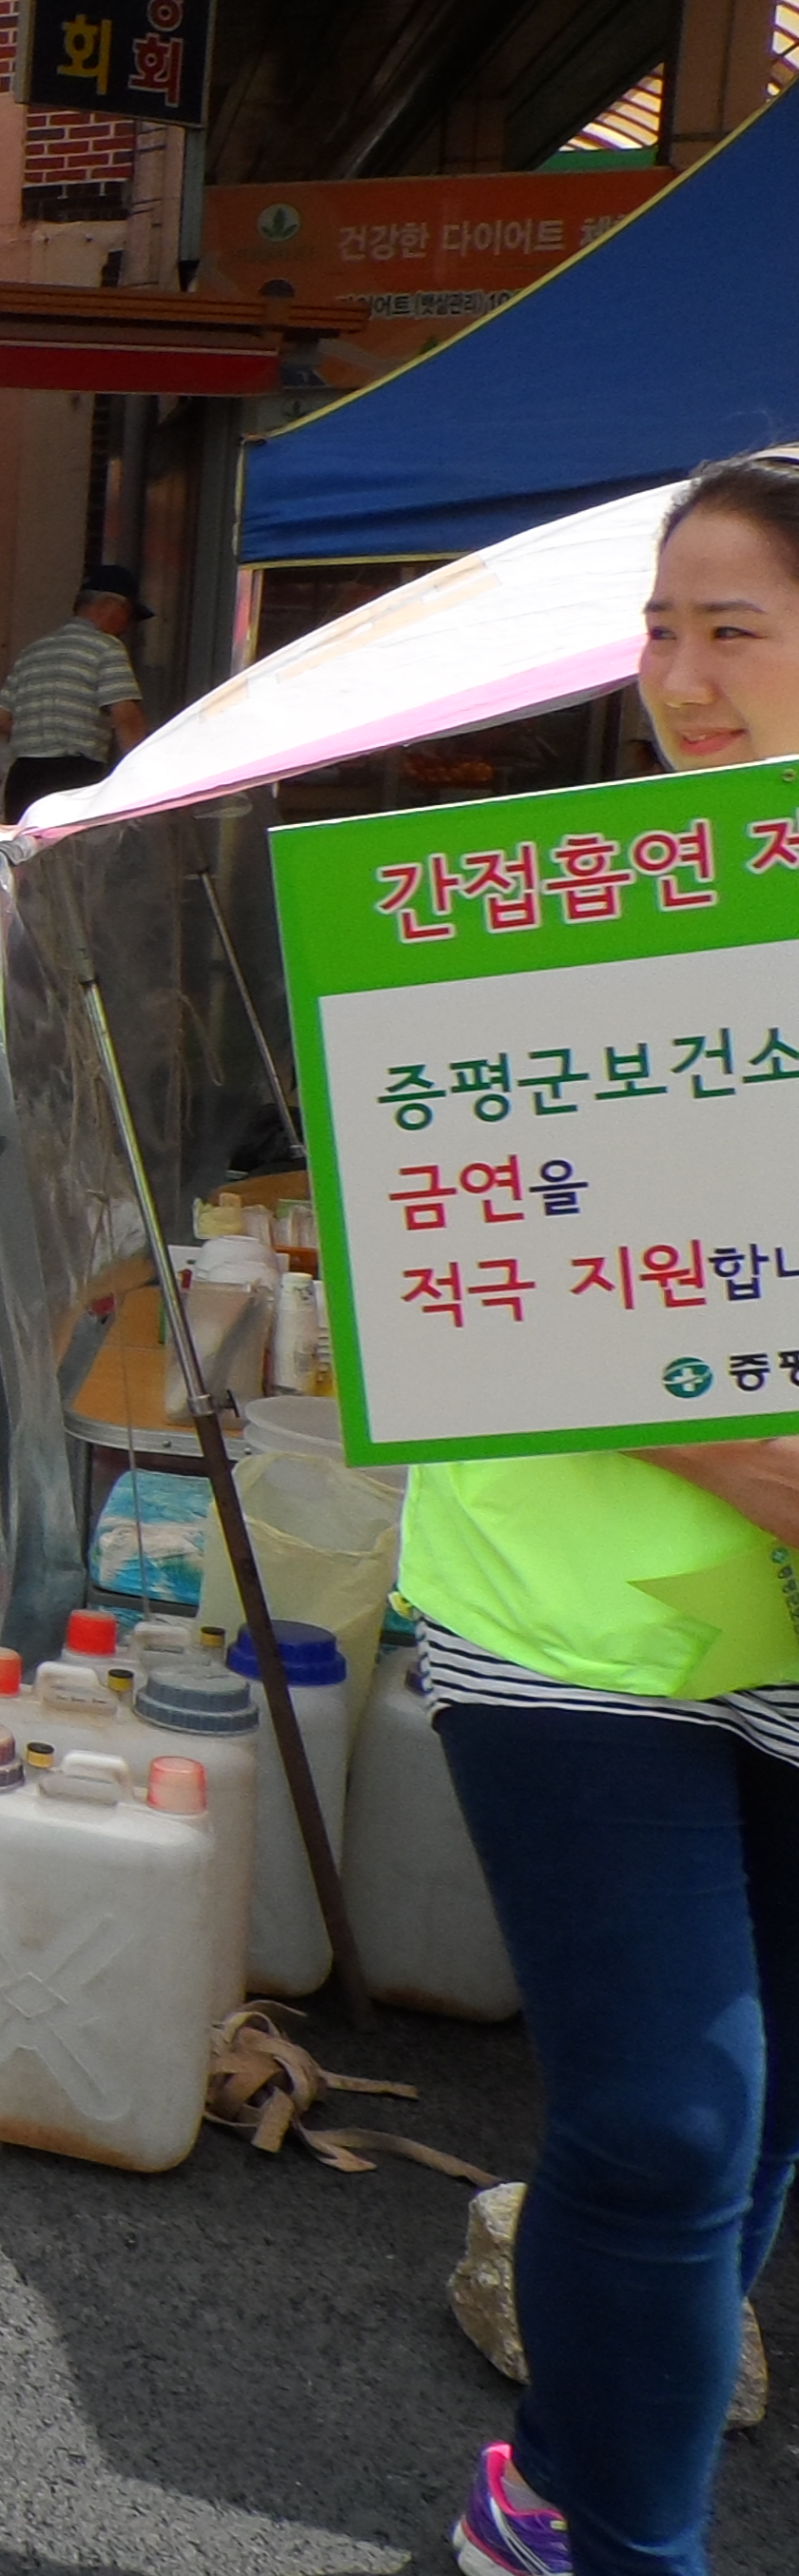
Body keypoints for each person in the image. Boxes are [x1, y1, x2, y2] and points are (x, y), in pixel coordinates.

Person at [423, 450, 799, 2576]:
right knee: (661, 2119)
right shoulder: (562, 894)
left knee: (752, 2139)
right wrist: (719, 1440)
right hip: (562, 1596)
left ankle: (557, 2482)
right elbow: (458, 1250)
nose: (681, 673)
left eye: (730, 626)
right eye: (663, 627)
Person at [0, 568, 152, 818]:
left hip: (23, 778)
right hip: (73, 777)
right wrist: (141, 772)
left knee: (26, 855)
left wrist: (43, 733)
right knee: (71, 855)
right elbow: (125, 717)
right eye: (128, 614)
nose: (126, 626)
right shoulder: (107, 648)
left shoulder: (34, 651)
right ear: (108, 605)